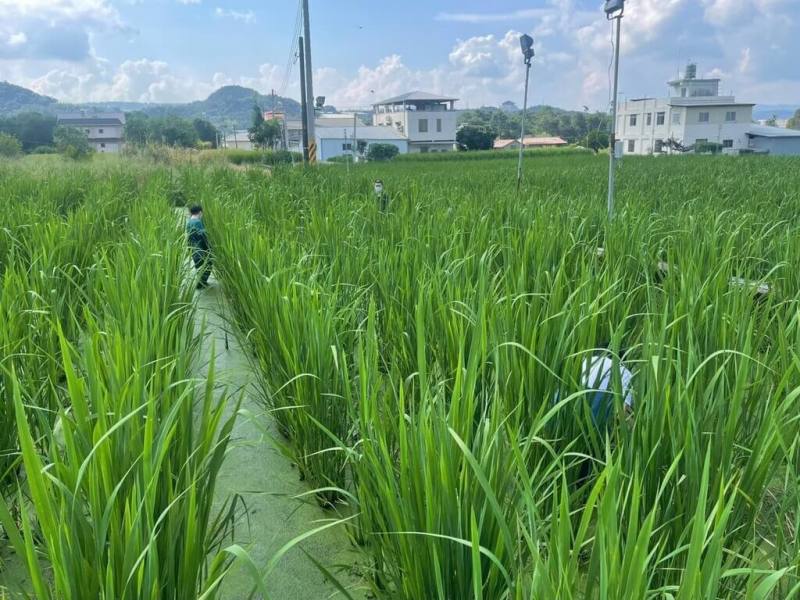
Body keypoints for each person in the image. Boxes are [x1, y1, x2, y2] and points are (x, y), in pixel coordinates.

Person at [580, 348, 634, 428]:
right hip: (597, 410)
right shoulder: (625, 372)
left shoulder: (587, 360)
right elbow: (621, 411)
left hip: (576, 401)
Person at [186, 204, 212, 289]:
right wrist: (209, 247)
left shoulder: (189, 222)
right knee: (208, 264)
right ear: (200, 212)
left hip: (193, 248)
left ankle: (200, 283)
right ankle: (201, 284)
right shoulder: (198, 222)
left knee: (199, 266)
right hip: (200, 249)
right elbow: (203, 236)